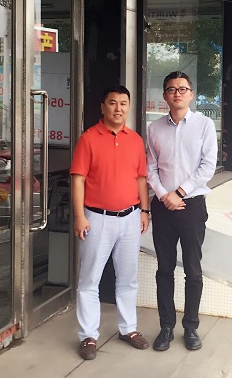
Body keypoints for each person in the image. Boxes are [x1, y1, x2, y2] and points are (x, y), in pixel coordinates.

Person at [70, 85, 150, 361]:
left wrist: (144, 210)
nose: (118, 108)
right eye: (113, 103)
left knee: (127, 278)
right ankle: (88, 336)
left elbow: (141, 178)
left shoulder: (135, 140)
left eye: (123, 103)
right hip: (96, 219)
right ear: (103, 107)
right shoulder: (88, 138)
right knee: (89, 280)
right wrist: (79, 216)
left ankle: (128, 329)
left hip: (130, 218)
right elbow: (78, 179)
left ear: (129, 107)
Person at [147, 71, 218, 352]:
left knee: (192, 269)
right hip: (163, 207)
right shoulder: (154, 128)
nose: (177, 93)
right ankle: (166, 327)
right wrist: (163, 195)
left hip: (191, 206)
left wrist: (178, 192)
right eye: (171, 89)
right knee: (164, 269)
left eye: (182, 89)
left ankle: (191, 327)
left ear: (191, 94)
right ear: (165, 95)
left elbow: (207, 167)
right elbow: (150, 168)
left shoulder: (204, 125)